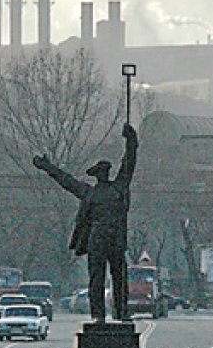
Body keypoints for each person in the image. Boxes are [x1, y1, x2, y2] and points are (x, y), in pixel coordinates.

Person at [34, 123, 139, 323]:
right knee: (111, 278)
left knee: (107, 278)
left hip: (103, 239)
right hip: (106, 239)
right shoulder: (116, 188)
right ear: (103, 174)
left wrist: (131, 140)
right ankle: (111, 313)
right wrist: (131, 140)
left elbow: (66, 180)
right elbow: (129, 162)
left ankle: (106, 314)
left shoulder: (95, 192)